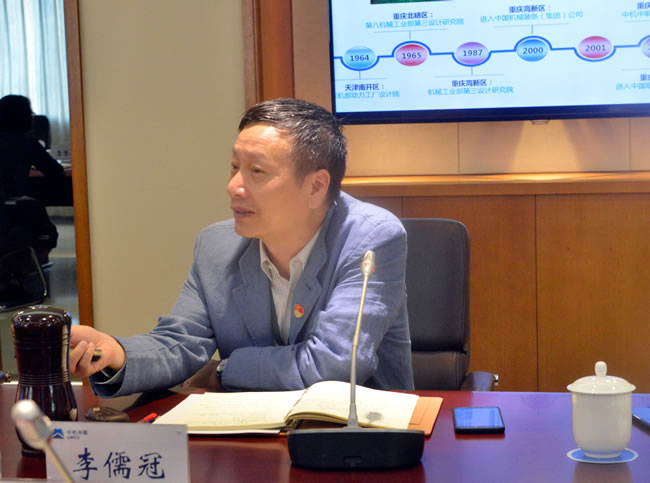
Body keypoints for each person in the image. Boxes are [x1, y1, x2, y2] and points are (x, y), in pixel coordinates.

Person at [70, 98, 414, 396]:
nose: (233, 186)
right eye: (235, 167)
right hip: (251, 436)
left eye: (257, 171)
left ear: (316, 187)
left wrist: (224, 370)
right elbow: (181, 343)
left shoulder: (371, 239)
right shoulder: (216, 246)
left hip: (356, 434)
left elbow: (334, 364)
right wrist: (114, 353)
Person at [0, 95, 64, 295]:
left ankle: (9, 272)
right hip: (13, 212)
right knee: (48, 233)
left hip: (5, 210)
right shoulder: (27, 143)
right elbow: (55, 172)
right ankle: (23, 271)